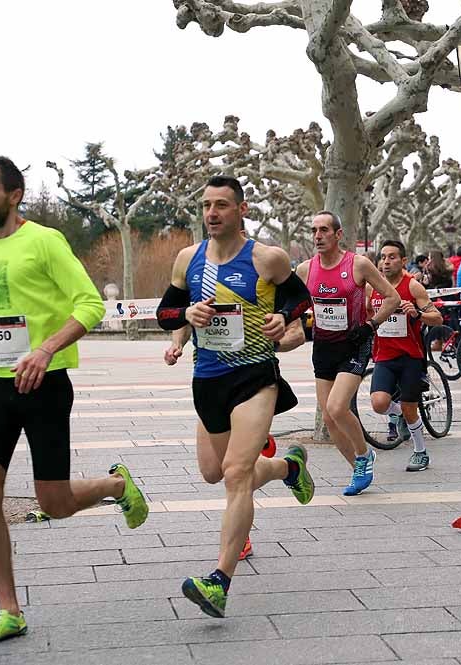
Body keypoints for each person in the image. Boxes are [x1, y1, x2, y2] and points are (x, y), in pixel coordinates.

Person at [0, 155, 150, 647]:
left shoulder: (45, 241)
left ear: (14, 195)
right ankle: (9, 610)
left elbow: (90, 304)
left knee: (52, 503)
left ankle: (116, 486)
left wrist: (45, 348)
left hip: (45, 383)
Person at [156, 176, 315, 618]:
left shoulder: (267, 258)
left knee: (236, 473)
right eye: (206, 205)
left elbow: (301, 299)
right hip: (207, 380)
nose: (212, 213)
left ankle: (219, 580)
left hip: (255, 377)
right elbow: (164, 311)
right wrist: (183, 320)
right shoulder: (188, 260)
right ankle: (288, 467)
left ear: (241, 209)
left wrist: (283, 318)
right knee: (213, 472)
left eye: (221, 205)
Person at [296, 212, 400, 496]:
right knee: (329, 419)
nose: (318, 236)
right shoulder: (306, 269)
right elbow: (292, 303)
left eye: (324, 230)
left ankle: (364, 455)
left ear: (338, 234)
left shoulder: (358, 264)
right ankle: (358, 466)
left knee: (336, 407)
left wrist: (371, 325)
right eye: (314, 230)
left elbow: (393, 298)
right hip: (323, 347)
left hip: (354, 344)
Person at [367, 240, 443, 471]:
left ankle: (420, 452)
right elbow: (368, 314)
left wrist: (418, 313)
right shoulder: (372, 288)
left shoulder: (412, 287)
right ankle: (401, 415)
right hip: (384, 355)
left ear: (403, 261)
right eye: (383, 257)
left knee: (411, 408)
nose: (386, 261)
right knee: (379, 403)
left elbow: (437, 317)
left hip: (410, 356)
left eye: (392, 257)